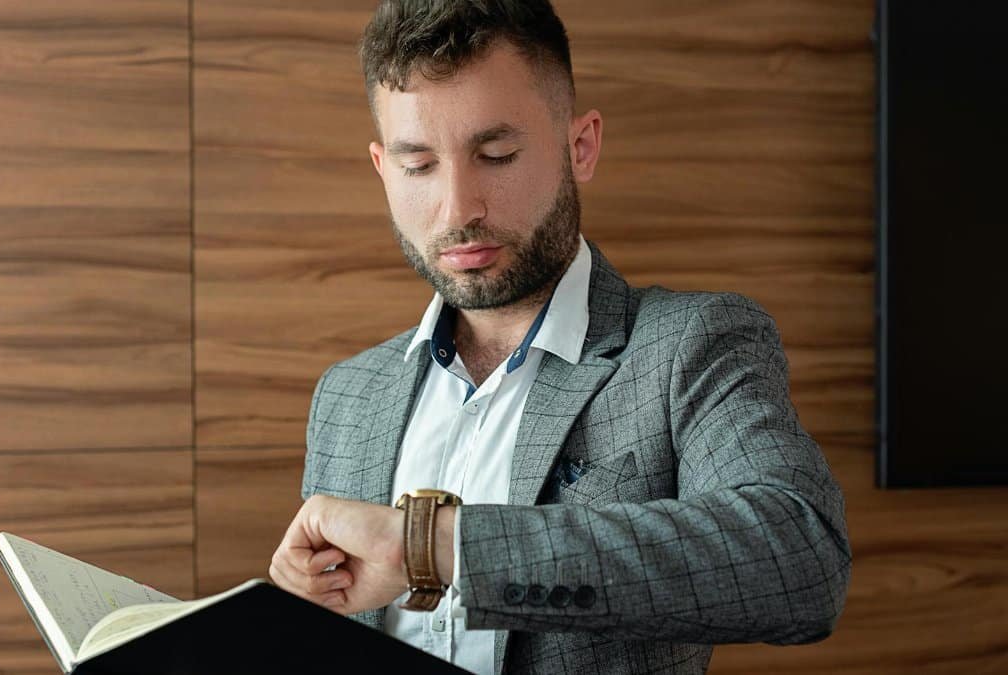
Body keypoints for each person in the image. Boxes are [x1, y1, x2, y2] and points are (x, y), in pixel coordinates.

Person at [267, 1, 852, 673]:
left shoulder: (690, 345)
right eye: (418, 166)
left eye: (496, 154)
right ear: (381, 167)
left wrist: (432, 547)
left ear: (581, 146)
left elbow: (801, 559)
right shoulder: (346, 396)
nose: (458, 209)